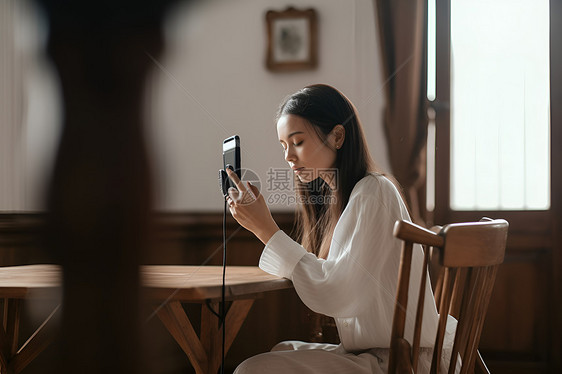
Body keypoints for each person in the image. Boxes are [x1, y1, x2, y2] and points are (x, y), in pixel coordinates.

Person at [225, 84, 455, 373]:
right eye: (283, 146)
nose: (288, 156)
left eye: (297, 142)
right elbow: (338, 281)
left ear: (337, 136)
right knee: (282, 350)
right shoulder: (348, 196)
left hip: (400, 362)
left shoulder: (373, 192)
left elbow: (337, 294)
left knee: (251, 369)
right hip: (379, 352)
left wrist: (265, 229)